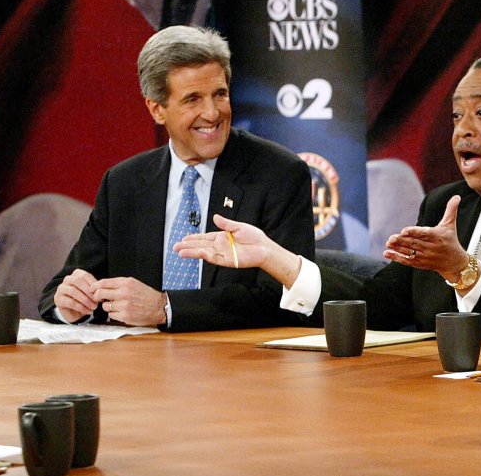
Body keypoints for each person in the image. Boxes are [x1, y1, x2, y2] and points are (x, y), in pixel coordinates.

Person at [176, 53, 481, 344]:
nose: (462, 130)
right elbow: (383, 305)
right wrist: (279, 261)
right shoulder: (444, 204)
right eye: (456, 116)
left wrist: (462, 269)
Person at [39, 26, 314, 332]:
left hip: (236, 365)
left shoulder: (279, 175)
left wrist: (165, 308)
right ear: (157, 109)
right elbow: (59, 290)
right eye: (193, 99)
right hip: (138, 369)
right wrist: (70, 305)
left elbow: (284, 300)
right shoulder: (123, 184)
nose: (212, 113)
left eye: (219, 94)